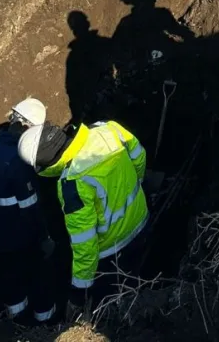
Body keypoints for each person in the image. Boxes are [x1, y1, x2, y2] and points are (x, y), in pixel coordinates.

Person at [18, 116, 148, 319]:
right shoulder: (108, 129)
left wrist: (78, 293)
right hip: (141, 220)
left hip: (113, 250)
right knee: (138, 275)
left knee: (115, 299)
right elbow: (139, 156)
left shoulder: (72, 183)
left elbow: (85, 245)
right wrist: (135, 186)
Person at [0, 98, 56, 323]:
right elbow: (30, 208)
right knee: (39, 277)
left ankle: (17, 323)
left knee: (10, 280)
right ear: (28, 127)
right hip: (21, 237)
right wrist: (45, 238)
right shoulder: (19, 162)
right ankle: (46, 324)